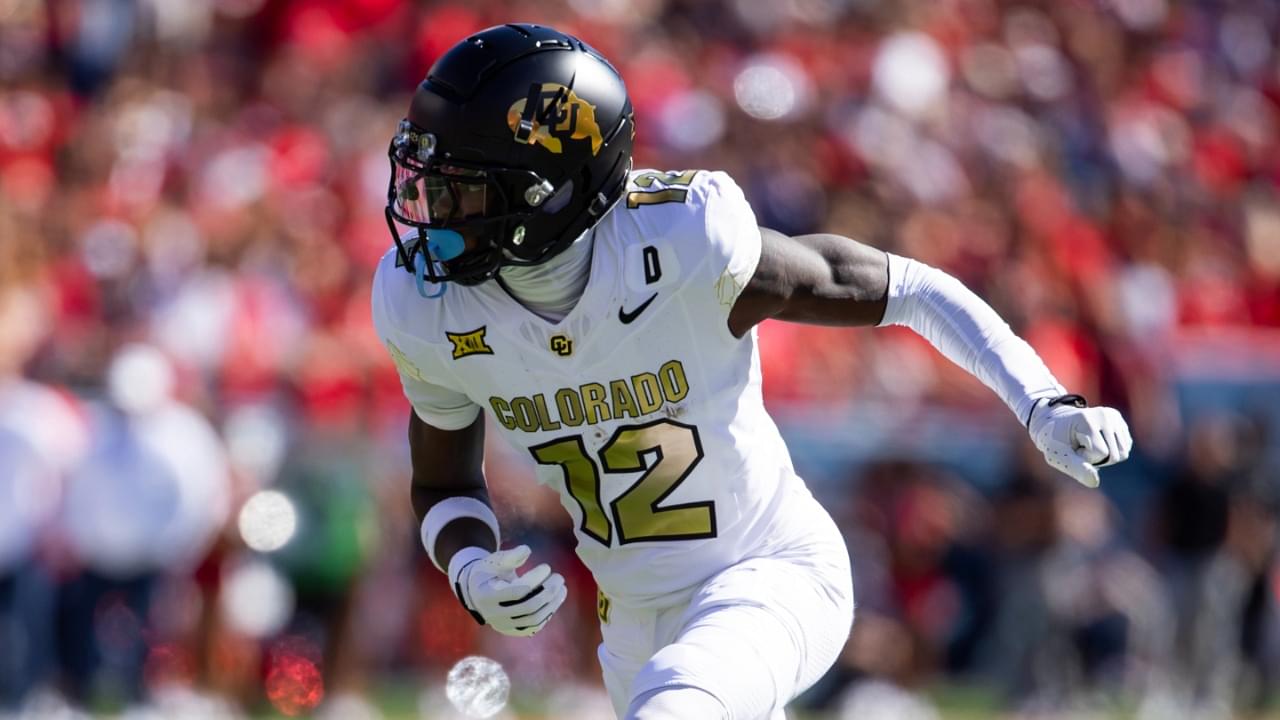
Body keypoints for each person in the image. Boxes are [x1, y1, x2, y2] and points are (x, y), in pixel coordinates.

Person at [371, 23, 1133, 720]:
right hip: (633, 623)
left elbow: (907, 288)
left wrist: (1043, 402)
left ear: (549, 192)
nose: (430, 211)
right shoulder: (427, 307)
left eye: (460, 189)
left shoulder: (682, 243)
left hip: (770, 571)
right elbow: (442, 480)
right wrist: (470, 565)